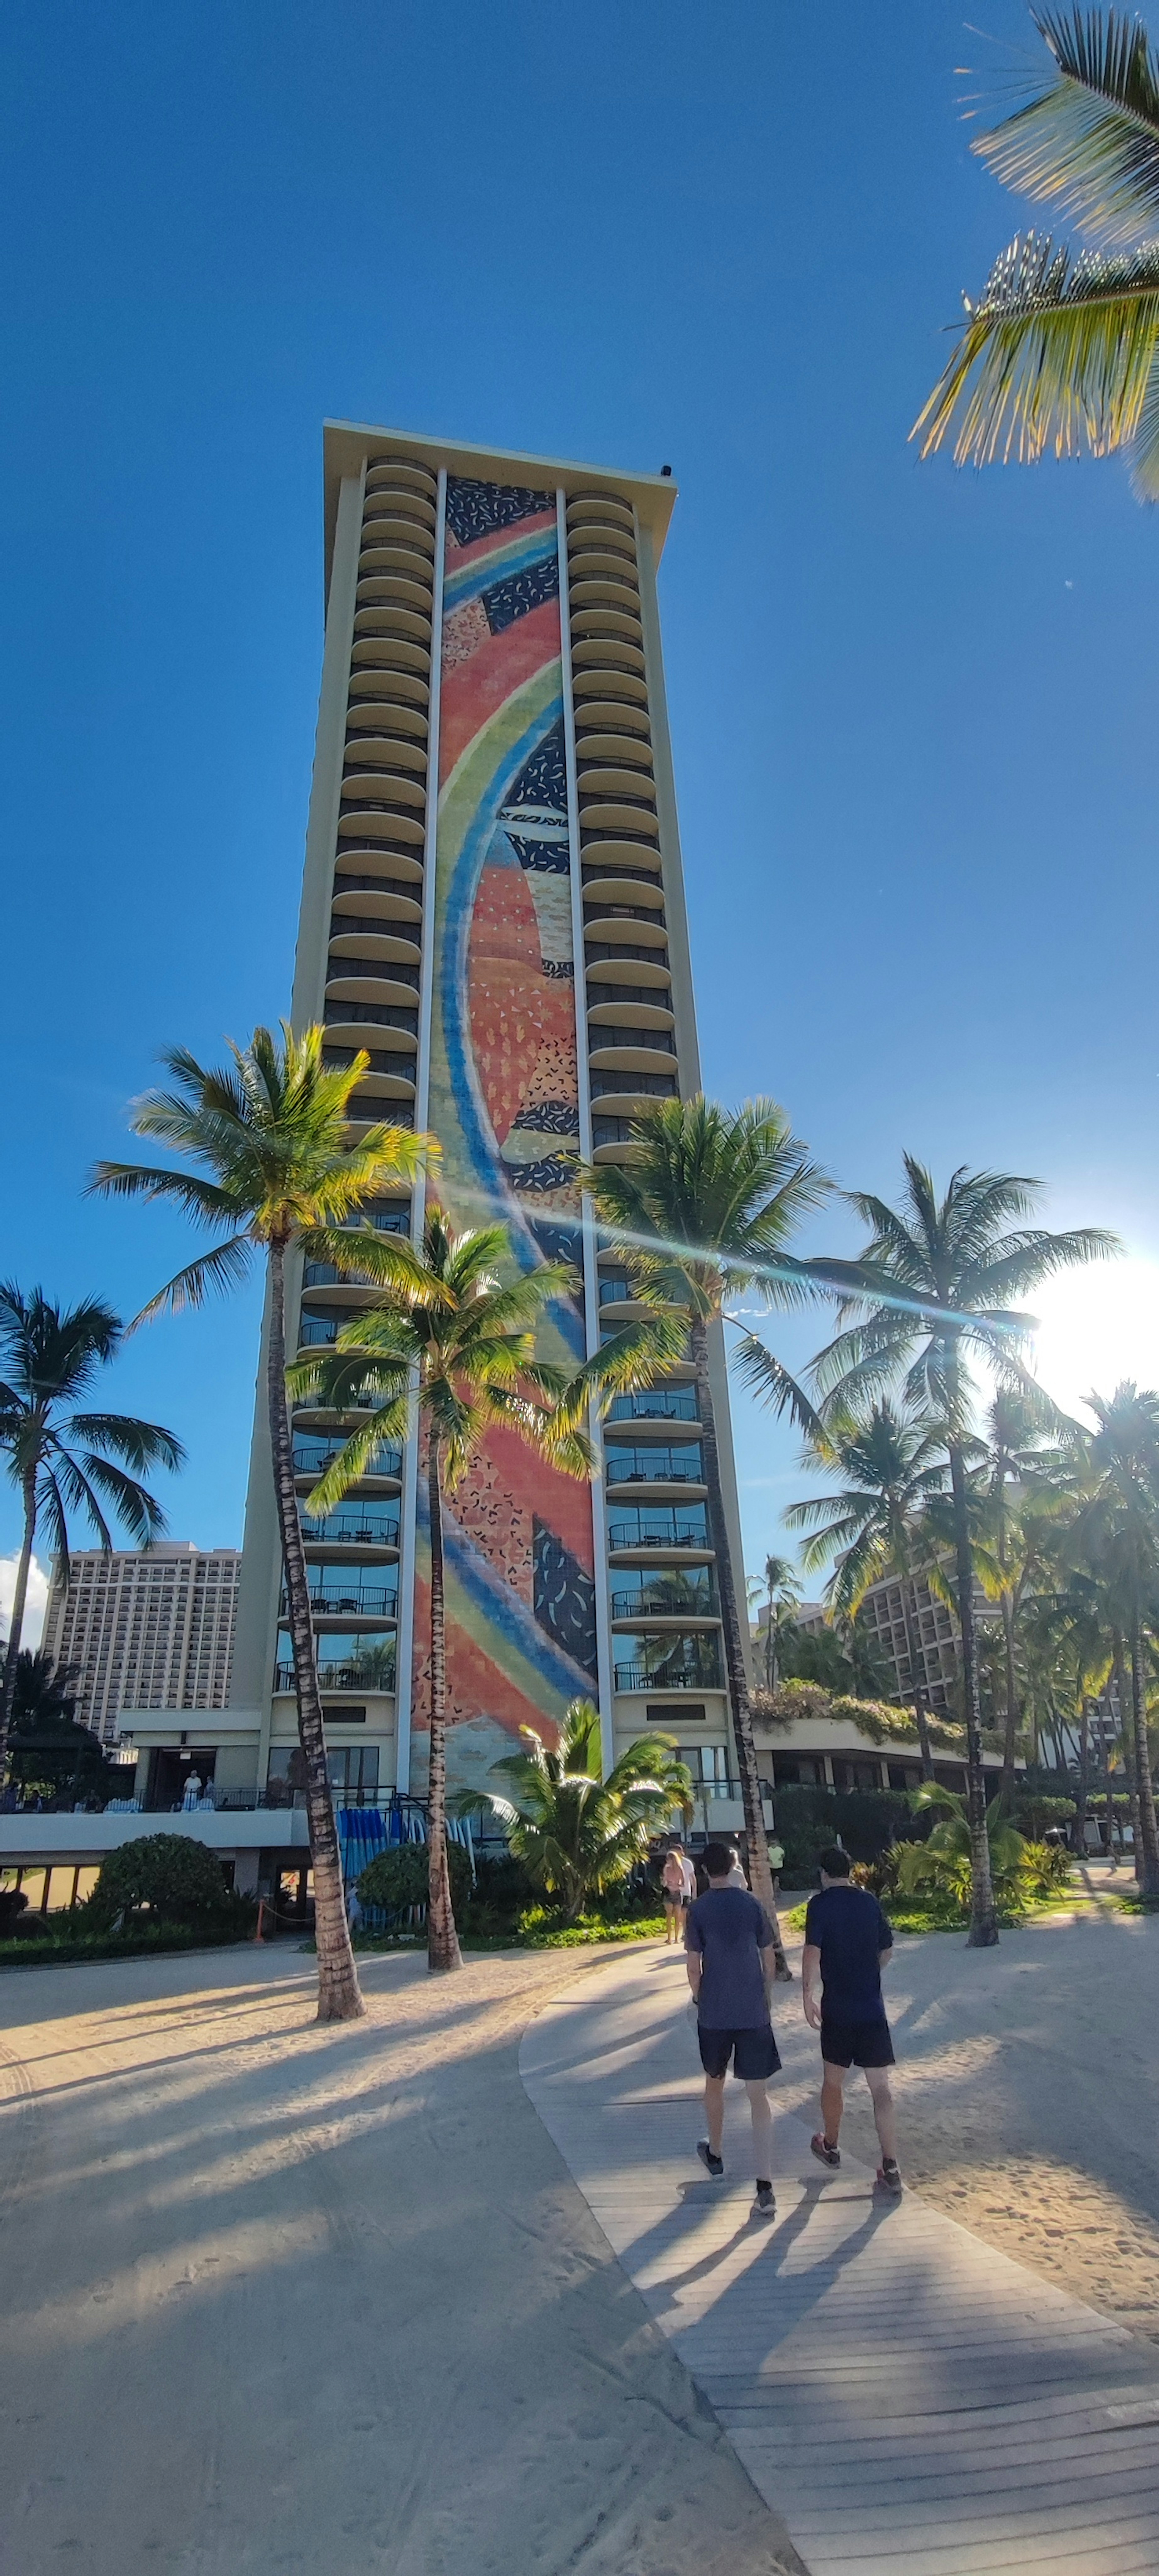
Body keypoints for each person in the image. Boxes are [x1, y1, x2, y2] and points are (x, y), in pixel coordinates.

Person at [685, 1839, 781, 2216]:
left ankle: (717, 2152)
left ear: (706, 1871)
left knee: (715, 2083)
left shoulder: (699, 1910)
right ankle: (765, 2183)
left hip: (715, 2013)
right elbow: (768, 1954)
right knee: (759, 2096)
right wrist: (767, 1994)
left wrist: (698, 1994)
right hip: (752, 2011)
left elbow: (694, 1965)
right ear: (733, 1865)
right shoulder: (752, 1903)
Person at [802, 1845, 901, 2195]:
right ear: (851, 1870)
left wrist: (807, 1995)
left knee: (833, 2081)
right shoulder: (870, 1902)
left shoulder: (820, 1905)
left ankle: (830, 2144)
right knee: (881, 2088)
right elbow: (887, 1949)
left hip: (839, 2009)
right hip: (872, 2007)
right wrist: (869, 1972)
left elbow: (812, 1953)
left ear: (824, 1873)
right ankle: (891, 2164)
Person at [660, 1842, 690, 1944]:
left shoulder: (680, 1869)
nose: (667, 1861)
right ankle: (669, 1938)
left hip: (677, 1893)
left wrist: (676, 1885)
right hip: (669, 1893)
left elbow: (684, 1883)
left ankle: (677, 1938)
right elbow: (664, 1882)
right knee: (669, 1916)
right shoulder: (666, 1869)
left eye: (669, 1859)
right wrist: (667, 1884)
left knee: (678, 1917)